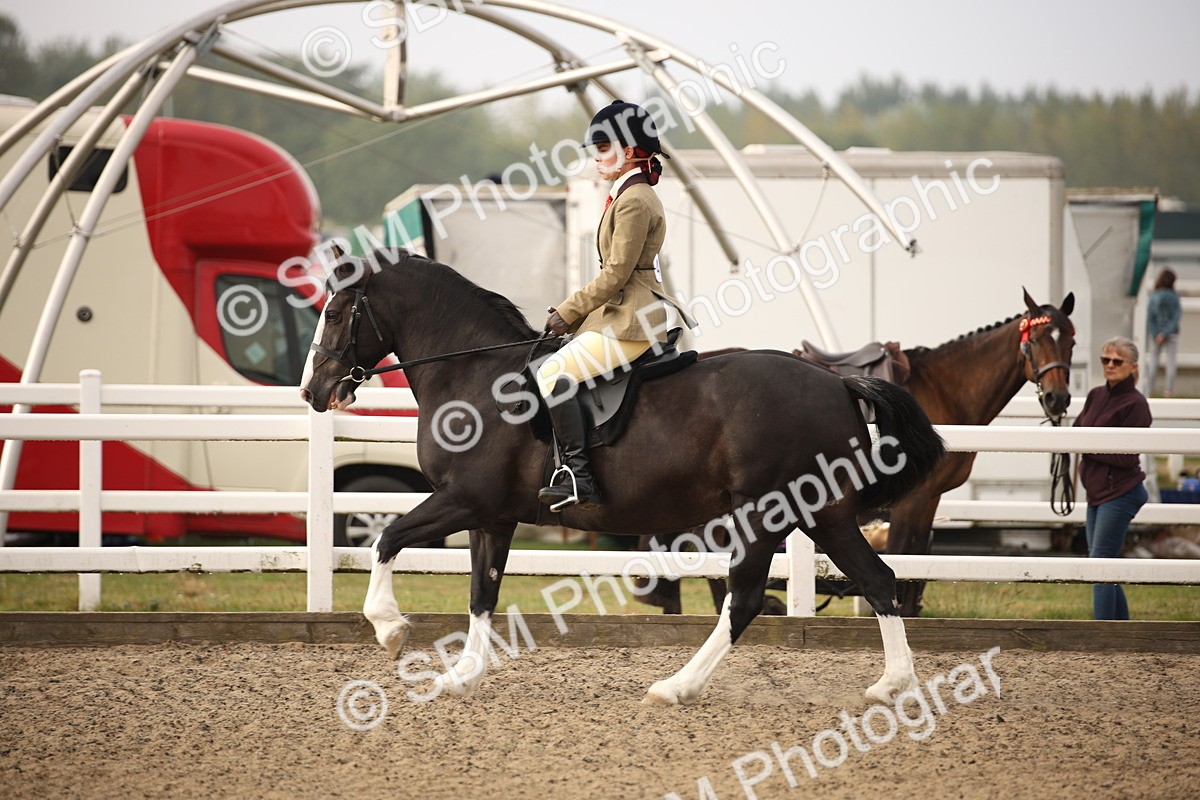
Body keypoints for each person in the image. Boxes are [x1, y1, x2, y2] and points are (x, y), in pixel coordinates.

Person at [536, 100, 694, 510]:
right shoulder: (625, 194)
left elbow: (616, 274)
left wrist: (567, 312)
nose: (596, 157)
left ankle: (577, 477)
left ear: (629, 151)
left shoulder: (635, 200)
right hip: (618, 313)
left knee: (553, 373)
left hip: (634, 320)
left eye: (603, 148)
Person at [1073, 337, 1152, 620]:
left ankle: (1102, 635)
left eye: (1117, 361)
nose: (1109, 365)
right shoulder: (1096, 395)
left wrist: (1088, 446)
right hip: (1099, 493)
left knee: (1100, 565)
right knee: (1104, 563)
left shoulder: (1136, 404)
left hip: (1120, 492)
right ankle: (1122, 631)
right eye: (1105, 360)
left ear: (1132, 367)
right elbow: (1076, 429)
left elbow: (1125, 457)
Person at [1144, 267, 1181, 396]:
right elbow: (1175, 317)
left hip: (1155, 334)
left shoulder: (1153, 296)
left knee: (1153, 361)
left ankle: (1150, 389)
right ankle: (1168, 390)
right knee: (1171, 362)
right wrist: (1165, 333)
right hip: (1172, 334)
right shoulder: (1174, 297)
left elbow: (1150, 317)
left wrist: (1156, 333)